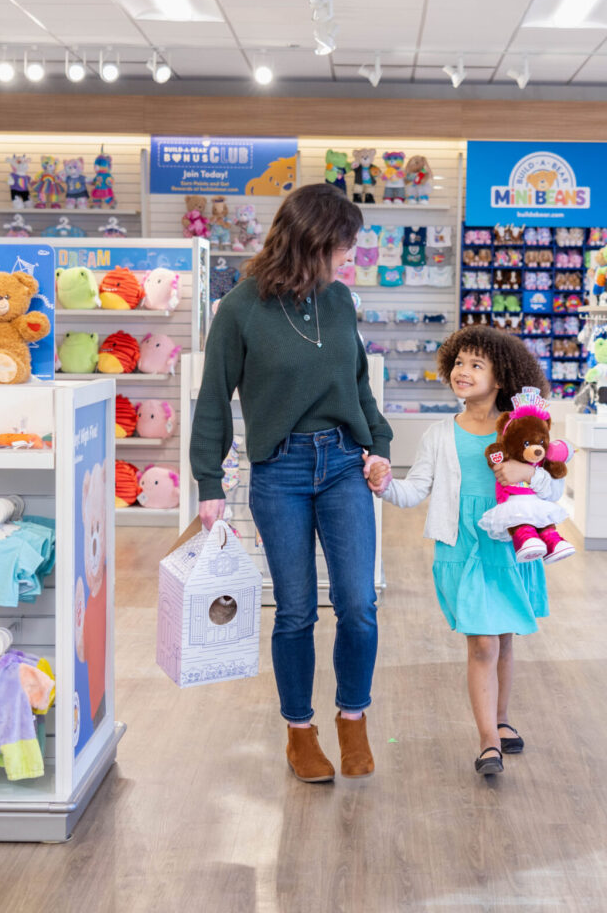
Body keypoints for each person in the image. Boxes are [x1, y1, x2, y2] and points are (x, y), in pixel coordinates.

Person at [190, 183, 391, 784]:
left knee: (358, 604)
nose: (348, 256)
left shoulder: (339, 302)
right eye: (342, 245)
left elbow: (358, 388)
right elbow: (213, 402)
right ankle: (300, 732)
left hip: (343, 466)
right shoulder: (241, 308)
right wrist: (208, 483)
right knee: (296, 610)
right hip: (279, 471)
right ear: (311, 243)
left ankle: (352, 717)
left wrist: (378, 448)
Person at [366, 327, 554, 776]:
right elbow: (416, 492)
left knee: (504, 637)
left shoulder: (523, 429)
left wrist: (525, 475)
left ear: (501, 376)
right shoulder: (438, 434)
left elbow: (552, 487)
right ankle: (488, 739)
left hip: (510, 544)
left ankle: (502, 719)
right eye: (458, 363)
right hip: (462, 547)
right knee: (483, 642)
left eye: (476, 365)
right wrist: (385, 483)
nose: (462, 372)